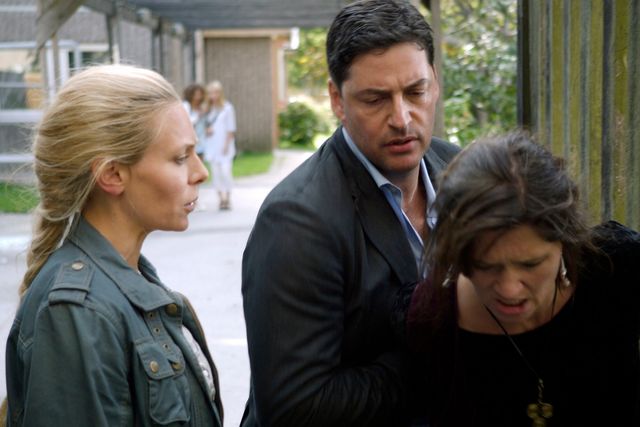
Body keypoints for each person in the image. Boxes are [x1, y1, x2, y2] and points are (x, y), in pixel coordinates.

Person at [241, 1, 460, 425]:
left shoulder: (462, 171)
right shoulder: (296, 222)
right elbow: (294, 407)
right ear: (336, 100)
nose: (402, 119)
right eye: (375, 99)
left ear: (434, 82)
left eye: (415, 92)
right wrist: (448, 355)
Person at [4, 64, 223, 426]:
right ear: (113, 174)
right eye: (180, 158)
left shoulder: (131, 283)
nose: (201, 172)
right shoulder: (79, 312)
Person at [404, 131, 640, 426]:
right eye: (485, 266)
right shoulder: (432, 318)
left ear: (566, 238)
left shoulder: (618, 270)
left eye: (531, 264)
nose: (510, 290)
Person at [203, 80, 236, 210]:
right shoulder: (207, 109)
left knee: (226, 172)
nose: (213, 95)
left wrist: (226, 145)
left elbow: (231, 129)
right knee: (215, 174)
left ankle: (228, 196)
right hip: (211, 145)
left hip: (225, 146)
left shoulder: (227, 108)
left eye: (216, 92)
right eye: (211, 93)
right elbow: (201, 126)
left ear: (220, 93)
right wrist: (206, 130)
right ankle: (221, 199)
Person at [182, 83, 208, 160]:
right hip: (189, 141)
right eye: (196, 94)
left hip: (201, 140)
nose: (198, 97)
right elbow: (187, 123)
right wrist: (198, 116)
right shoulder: (186, 106)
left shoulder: (201, 107)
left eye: (200, 94)